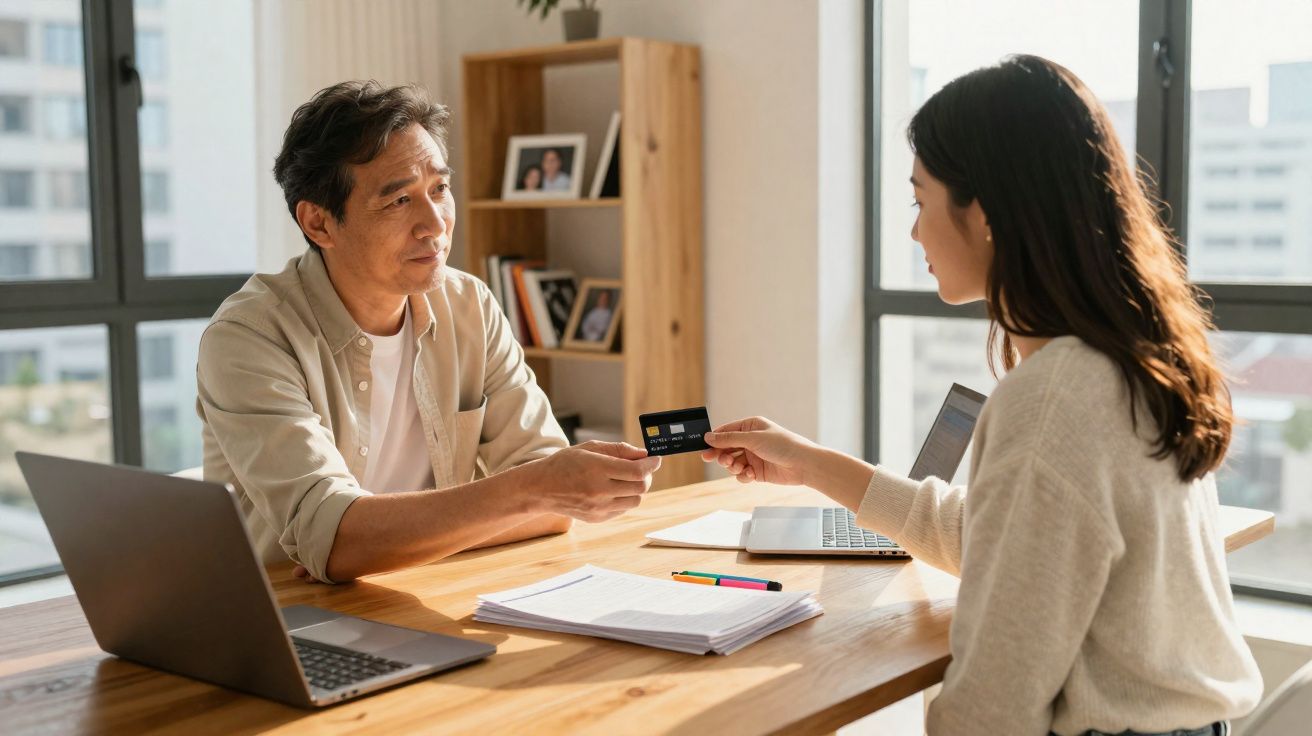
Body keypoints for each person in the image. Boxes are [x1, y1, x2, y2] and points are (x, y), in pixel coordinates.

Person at [702, 56, 1261, 736]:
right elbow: (1000, 543)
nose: (914, 233)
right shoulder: (1125, 361)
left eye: (920, 200)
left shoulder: (1053, 400)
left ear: (986, 212)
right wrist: (812, 464)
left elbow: (991, 711)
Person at [196, 81, 659, 586]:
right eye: (398, 201)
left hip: (424, 596)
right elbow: (331, 537)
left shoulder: (468, 306)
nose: (434, 224)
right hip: (294, 624)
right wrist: (526, 494)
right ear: (319, 223)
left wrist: (371, 546)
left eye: (439, 189)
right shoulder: (249, 338)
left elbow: (555, 505)